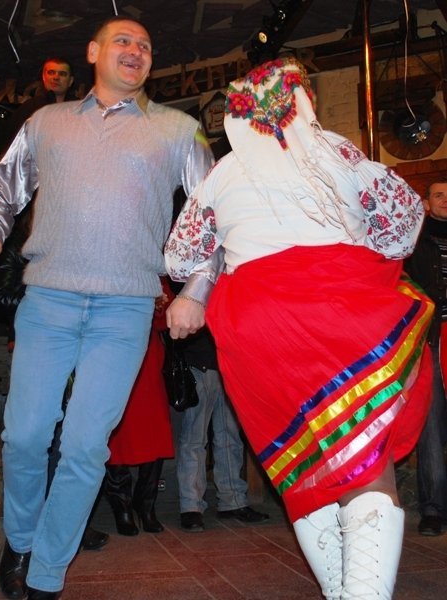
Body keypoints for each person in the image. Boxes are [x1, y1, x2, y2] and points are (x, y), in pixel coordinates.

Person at [0, 16, 214, 600]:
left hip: (125, 310)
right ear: (94, 52)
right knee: (25, 437)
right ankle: (21, 541)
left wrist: (196, 291)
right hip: (47, 300)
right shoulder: (46, 122)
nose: (136, 50)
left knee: (83, 447)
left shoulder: (181, 129)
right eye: (123, 40)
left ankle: (47, 570)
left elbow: (212, 212)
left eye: (146, 45)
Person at [164, 57, 433, 599]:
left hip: (257, 325)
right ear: (303, 99)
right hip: (340, 307)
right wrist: (358, 242)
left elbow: (180, 256)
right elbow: (404, 224)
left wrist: (224, 256)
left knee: (304, 466)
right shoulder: (335, 150)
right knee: (365, 461)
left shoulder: (223, 172)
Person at [0, 201, 110, 551]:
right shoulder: (15, 246)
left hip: (82, 354)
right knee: (31, 442)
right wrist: (51, 296)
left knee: (76, 442)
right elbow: (1, 300)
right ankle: (24, 539)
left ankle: (67, 524)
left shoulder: (78, 244)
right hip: (36, 349)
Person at [175, 328, 269, 532]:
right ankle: (191, 505)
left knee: (231, 437)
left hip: (231, 362)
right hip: (197, 360)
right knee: (194, 438)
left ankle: (232, 500)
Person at [104, 279, 175, 536]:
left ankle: (145, 506)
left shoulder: (156, 276)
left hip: (148, 362)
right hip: (113, 356)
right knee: (118, 438)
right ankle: (121, 508)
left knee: (155, 435)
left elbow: (169, 319)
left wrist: (157, 306)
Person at [404, 177, 447, 537]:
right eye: (438, 195)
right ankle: (432, 509)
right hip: (431, 336)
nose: (445, 200)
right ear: (427, 203)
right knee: (430, 423)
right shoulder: (414, 241)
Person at [1, 57, 74, 149]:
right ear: (43, 77)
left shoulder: (78, 110)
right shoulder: (29, 108)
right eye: (51, 72)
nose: (56, 77)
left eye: (62, 74)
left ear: (70, 81)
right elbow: (12, 145)